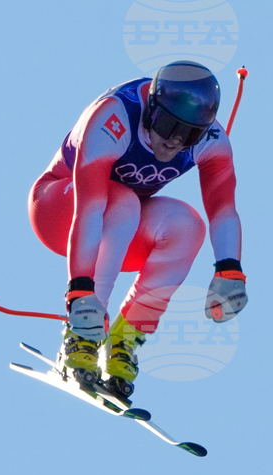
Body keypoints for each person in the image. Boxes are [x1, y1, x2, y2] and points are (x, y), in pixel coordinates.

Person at [27, 61, 248, 400]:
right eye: (166, 125)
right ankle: (81, 338)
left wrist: (230, 269)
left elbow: (224, 210)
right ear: (151, 109)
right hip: (59, 209)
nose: (174, 142)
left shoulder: (212, 140)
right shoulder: (115, 117)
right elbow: (90, 210)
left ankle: (124, 341)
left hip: (120, 235)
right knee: (123, 203)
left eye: (189, 134)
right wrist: (81, 294)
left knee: (187, 226)